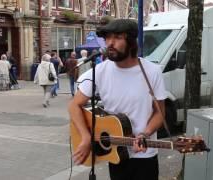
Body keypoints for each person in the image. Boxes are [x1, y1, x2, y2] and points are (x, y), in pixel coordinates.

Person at [68, 19, 166, 180]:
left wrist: (145, 134)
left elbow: (159, 112)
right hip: (116, 154)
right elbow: (74, 105)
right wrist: (86, 137)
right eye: (107, 38)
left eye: (117, 37)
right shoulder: (100, 71)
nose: (110, 43)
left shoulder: (152, 72)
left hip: (145, 155)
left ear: (131, 42)